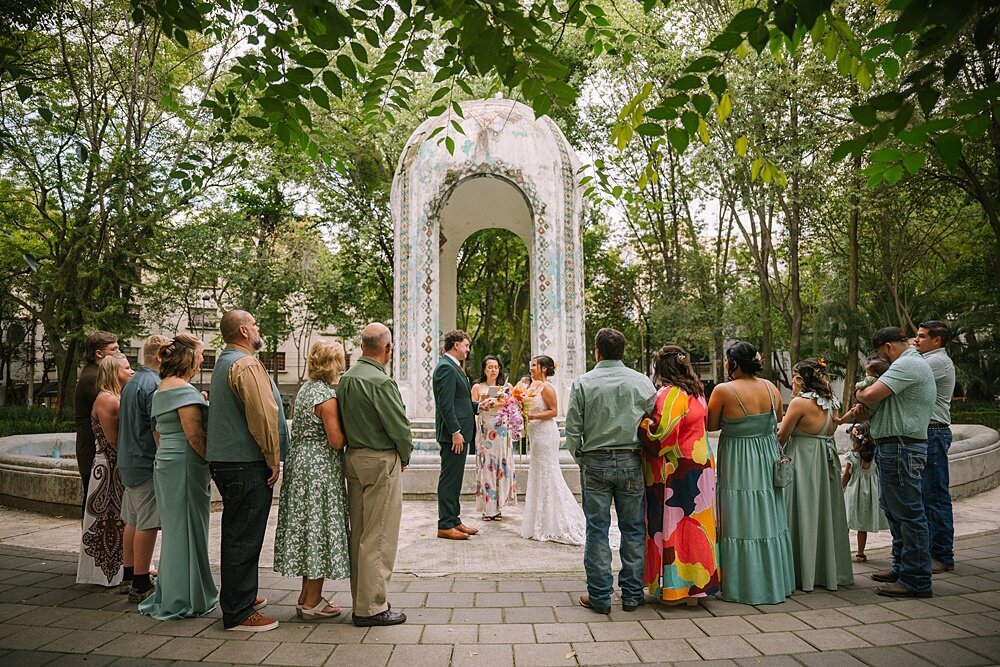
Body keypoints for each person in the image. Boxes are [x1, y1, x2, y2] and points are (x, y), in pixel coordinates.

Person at [206, 310, 289, 632]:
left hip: (229, 462)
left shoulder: (225, 361)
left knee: (237, 531)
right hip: (245, 462)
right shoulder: (245, 364)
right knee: (244, 536)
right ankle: (239, 611)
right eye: (255, 324)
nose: (258, 328)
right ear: (243, 331)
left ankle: (241, 596)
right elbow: (263, 414)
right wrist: (273, 456)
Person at [565, 328, 656, 615]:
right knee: (633, 528)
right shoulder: (642, 383)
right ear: (623, 351)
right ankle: (631, 595)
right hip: (631, 460)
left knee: (597, 529)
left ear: (597, 351)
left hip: (595, 460)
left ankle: (601, 597)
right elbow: (654, 424)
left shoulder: (583, 383)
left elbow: (572, 431)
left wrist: (583, 458)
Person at [706, 341, 794, 605]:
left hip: (738, 460)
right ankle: (774, 583)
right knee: (768, 516)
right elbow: (777, 418)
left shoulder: (723, 390)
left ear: (733, 363)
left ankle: (743, 585)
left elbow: (710, 425)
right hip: (767, 456)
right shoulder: (771, 388)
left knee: (739, 517)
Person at [338, 323, 413, 627]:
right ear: (387, 348)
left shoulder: (346, 379)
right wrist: (404, 456)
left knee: (359, 534)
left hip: (354, 457)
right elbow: (399, 427)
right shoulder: (381, 382)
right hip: (381, 460)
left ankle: (363, 598)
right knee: (379, 535)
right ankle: (371, 607)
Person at [139, 334, 218, 620]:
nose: (200, 362)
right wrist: (212, 462)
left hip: (167, 462)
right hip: (186, 463)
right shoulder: (184, 391)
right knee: (189, 530)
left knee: (176, 531)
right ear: (188, 360)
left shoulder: (161, 390)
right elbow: (195, 436)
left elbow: (158, 433)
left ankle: (174, 591)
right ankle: (184, 598)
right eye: (199, 357)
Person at [856, 326, 936, 598]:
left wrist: (860, 395)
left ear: (887, 347)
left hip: (901, 446)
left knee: (909, 513)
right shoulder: (909, 362)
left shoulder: (906, 364)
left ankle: (915, 579)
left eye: (880, 353)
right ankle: (901, 568)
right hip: (896, 446)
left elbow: (869, 395)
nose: (881, 359)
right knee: (894, 510)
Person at [274, 339, 349, 621]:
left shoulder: (305, 391)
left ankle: (306, 596)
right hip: (320, 470)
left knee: (307, 528)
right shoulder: (326, 398)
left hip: (299, 464)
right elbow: (336, 440)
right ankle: (313, 602)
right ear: (334, 364)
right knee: (319, 530)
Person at [639, 345, 719, 606]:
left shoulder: (669, 394)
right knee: (700, 525)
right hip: (700, 465)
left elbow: (661, 435)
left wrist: (640, 424)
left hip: (677, 470)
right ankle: (697, 586)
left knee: (674, 525)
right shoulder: (696, 391)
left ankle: (676, 590)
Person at [777, 358, 853, 592]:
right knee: (823, 514)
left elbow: (782, 436)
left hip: (804, 460)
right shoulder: (832, 402)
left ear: (800, 379)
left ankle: (801, 572)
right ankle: (827, 571)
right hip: (826, 460)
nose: (792, 381)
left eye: (794, 376)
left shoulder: (799, 403)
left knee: (802, 512)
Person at [118, 334, 169, 603]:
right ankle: (140, 583)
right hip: (146, 462)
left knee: (133, 520)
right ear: (160, 356)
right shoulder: (153, 384)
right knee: (147, 524)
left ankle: (129, 574)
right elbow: (157, 427)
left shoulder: (132, 382)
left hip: (128, 461)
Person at [77, 353, 133, 586]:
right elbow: (114, 441)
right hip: (109, 469)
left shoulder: (110, 397)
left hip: (108, 466)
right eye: (127, 368)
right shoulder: (109, 400)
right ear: (113, 373)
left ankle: (114, 571)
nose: (131, 372)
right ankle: (108, 573)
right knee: (110, 520)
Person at [521, 355, 585, 546]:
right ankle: (538, 522)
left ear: (543, 369)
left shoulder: (547, 387)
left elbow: (554, 411)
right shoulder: (531, 386)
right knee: (538, 473)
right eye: (531, 365)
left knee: (548, 472)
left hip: (545, 434)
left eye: (534, 365)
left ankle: (555, 522)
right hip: (534, 433)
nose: (531, 368)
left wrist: (531, 415)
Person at [913, 320, 957, 574]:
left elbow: (906, 374)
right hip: (928, 433)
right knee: (926, 496)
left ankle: (942, 555)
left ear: (936, 340)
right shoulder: (928, 359)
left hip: (934, 433)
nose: (916, 340)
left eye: (921, 337)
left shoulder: (936, 362)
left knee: (936, 497)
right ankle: (932, 552)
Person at [433, 330, 480, 540]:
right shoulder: (445, 368)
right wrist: (455, 431)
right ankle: (444, 524)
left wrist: (479, 406)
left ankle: (454, 520)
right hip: (453, 435)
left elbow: (460, 401)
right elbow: (445, 404)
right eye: (466, 345)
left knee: (456, 478)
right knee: (449, 479)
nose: (468, 349)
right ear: (456, 345)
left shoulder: (454, 367)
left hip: (460, 432)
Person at [75, 331, 119, 505]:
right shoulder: (94, 378)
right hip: (93, 454)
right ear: (99, 354)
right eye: (114, 349)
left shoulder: (94, 374)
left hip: (92, 452)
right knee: (91, 507)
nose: (119, 353)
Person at [472, 355, 516, 521]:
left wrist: (499, 402)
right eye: (489, 367)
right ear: (484, 369)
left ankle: (498, 508)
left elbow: (512, 405)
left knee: (501, 466)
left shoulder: (506, 386)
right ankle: (487, 509)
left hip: (501, 431)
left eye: (496, 367)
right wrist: (483, 401)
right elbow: (472, 406)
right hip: (485, 430)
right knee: (487, 467)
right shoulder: (477, 387)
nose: (493, 370)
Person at [842, 420, 889, 562]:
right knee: (862, 525)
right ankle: (860, 553)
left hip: (853, 493)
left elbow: (846, 475)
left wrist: (840, 488)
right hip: (870, 494)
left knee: (846, 522)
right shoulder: (876, 456)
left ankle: (843, 551)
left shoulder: (852, 456)